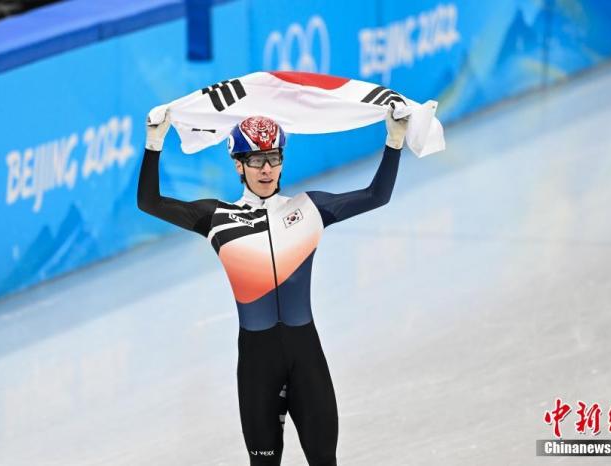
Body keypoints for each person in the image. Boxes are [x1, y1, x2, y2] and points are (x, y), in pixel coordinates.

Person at [137, 109, 408, 466]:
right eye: (256, 160)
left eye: (274, 158)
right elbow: (150, 202)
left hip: (305, 355)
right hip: (257, 363)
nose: (267, 169)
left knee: (324, 460)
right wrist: (154, 142)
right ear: (238, 165)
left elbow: (377, 195)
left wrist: (394, 140)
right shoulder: (216, 218)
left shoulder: (310, 208)